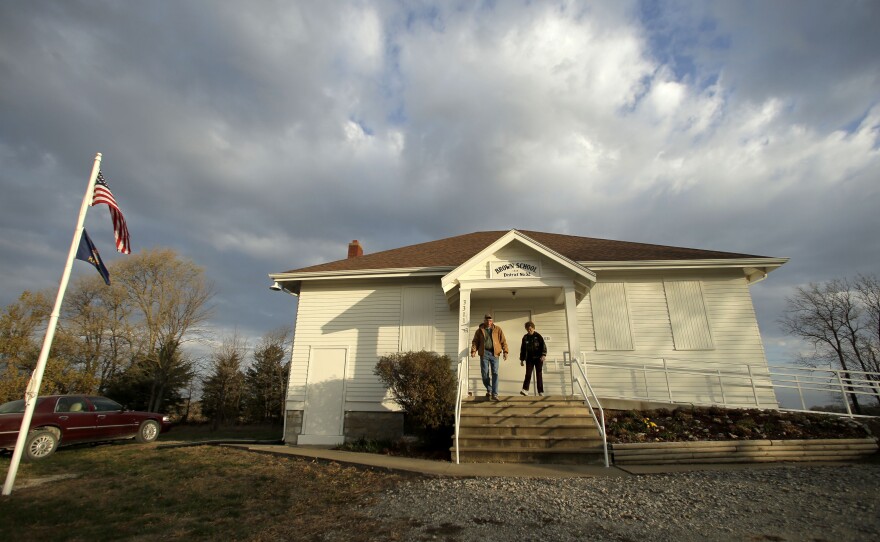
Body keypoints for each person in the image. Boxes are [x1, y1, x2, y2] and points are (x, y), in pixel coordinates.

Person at [470, 313, 509, 401]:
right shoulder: (479, 330)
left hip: (495, 353)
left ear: (492, 321)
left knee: (495, 373)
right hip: (484, 353)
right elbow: (475, 342)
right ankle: (489, 389)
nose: (488, 322)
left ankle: (495, 394)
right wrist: (473, 351)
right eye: (487, 320)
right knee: (484, 373)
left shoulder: (497, 329)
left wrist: (505, 352)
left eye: (490, 320)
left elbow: (503, 341)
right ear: (484, 321)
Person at [519, 321, 547, 396]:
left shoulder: (538, 336)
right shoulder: (525, 338)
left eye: (530, 329)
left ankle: (540, 391)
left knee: (539, 374)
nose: (529, 330)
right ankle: (525, 390)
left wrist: (543, 355)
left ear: (533, 328)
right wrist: (522, 359)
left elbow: (543, 346)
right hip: (529, 359)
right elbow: (523, 349)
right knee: (528, 374)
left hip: (538, 358)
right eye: (528, 329)